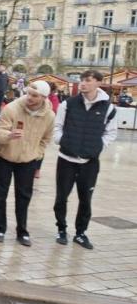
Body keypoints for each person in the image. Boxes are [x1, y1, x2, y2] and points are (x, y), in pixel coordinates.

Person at [53, 70, 117, 250]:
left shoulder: (108, 107)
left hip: (90, 162)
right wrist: (62, 141)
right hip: (66, 159)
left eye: (88, 80)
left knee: (86, 199)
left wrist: (97, 147)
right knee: (61, 198)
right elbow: (57, 126)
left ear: (98, 83)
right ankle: (61, 230)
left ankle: (80, 233)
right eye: (81, 80)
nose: (83, 83)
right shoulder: (68, 104)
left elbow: (111, 133)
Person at [0, 81, 55, 247]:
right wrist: (8, 135)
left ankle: (22, 231)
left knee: (24, 197)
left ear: (43, 97)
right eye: (28, 94)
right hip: (4, 156)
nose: (30, 98)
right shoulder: (12, 108)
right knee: (0, 194)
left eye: (35, 96)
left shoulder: (49, 116)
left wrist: (37, 153)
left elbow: (46, 139)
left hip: (28, 160)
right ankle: (0, 228)